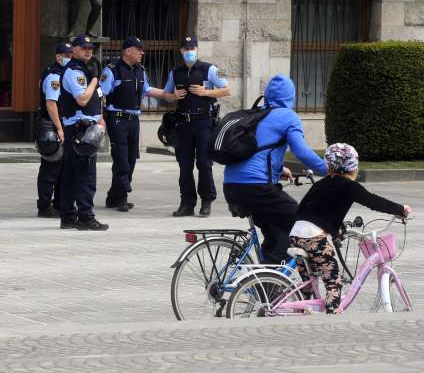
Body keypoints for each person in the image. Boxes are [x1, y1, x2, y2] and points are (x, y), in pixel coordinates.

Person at [289, 143, 411, 314]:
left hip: (296, 233)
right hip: (314, 237)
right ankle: (332, 315)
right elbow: (373, 201)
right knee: (333, 279)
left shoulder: (321, 183)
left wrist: (334, 228)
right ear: (352, 166)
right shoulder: (349, 186)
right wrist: (400, 209)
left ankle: (300, 310)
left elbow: (309, 209)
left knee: (309, 280)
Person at [223, 73, 328, 264]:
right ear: (291, 96)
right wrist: (328, 169)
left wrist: (279, 170)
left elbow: (257, 150)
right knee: (301, 221)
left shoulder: (256, 114)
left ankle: (267, 285)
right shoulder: (287, 116)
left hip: (232, 185)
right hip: (257, 188)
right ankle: (270, 287)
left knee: (277, 234)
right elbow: (302, 152)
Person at [100, 36, 172, 211]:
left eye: (142, 49)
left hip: (134, 120)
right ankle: (122, 197)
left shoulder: (140, 70)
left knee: (131, 159)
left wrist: (167, 95)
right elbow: (101, 94)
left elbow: (147, 90)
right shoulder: (112, 71)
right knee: (121, 160)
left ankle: (113, 196)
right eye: (138, 49)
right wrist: (100, 118)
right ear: (127, 51)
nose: (142, 53)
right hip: (117, 119)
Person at [164, 36, 231, 217]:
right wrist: (173, 96)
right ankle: (187, 203)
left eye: (192, 48)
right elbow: (166, 94)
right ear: (181, 51)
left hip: (204, 123)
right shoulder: (175, 72)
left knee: (203, 163)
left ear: (197, 49)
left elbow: (227, 89)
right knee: (185, 165)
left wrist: (206, 92)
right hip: (183, 124)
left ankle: (207, 201)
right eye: (186, 49)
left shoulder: (211, 69)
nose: (189, 51)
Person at [58, 34, 108, 231]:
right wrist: (95, 78)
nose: (88, 51)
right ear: (74, 50)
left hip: (84, 126)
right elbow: (82, 99)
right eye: (84, 48)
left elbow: (96, 100)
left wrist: (100, 118)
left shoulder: (83, 71)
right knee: (86, 175)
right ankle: (86, 216)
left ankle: (68, 216)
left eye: (91, 48)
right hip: (80, 130)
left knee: (70, 174)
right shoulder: (75, 71)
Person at [36, 42, 73, 218]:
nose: (70, 58)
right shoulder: (54, 76)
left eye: (72, 54)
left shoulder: (63, 73)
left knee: (63, 167)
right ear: (58, 56)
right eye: (67, 55)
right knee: (51, 167)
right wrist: (59, 128)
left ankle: (59, 204)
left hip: (60, 123)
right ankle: (44, 206)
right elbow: (51, 103)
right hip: (51, 125)